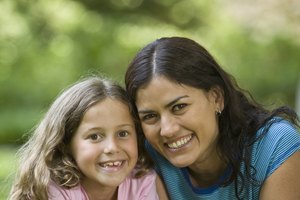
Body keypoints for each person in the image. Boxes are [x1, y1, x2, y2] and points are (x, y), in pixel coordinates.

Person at [125, 36, 300, 200]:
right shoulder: (146, 156)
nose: (167, 130)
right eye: (150, 116)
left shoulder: (275, 145)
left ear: (217, 98)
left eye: (179, 107)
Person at [9, 75, 169, 200]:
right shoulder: (53, 190)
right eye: (95, 136)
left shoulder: (141, 182)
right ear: (65, 143)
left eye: (123, 133)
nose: (112, 147)